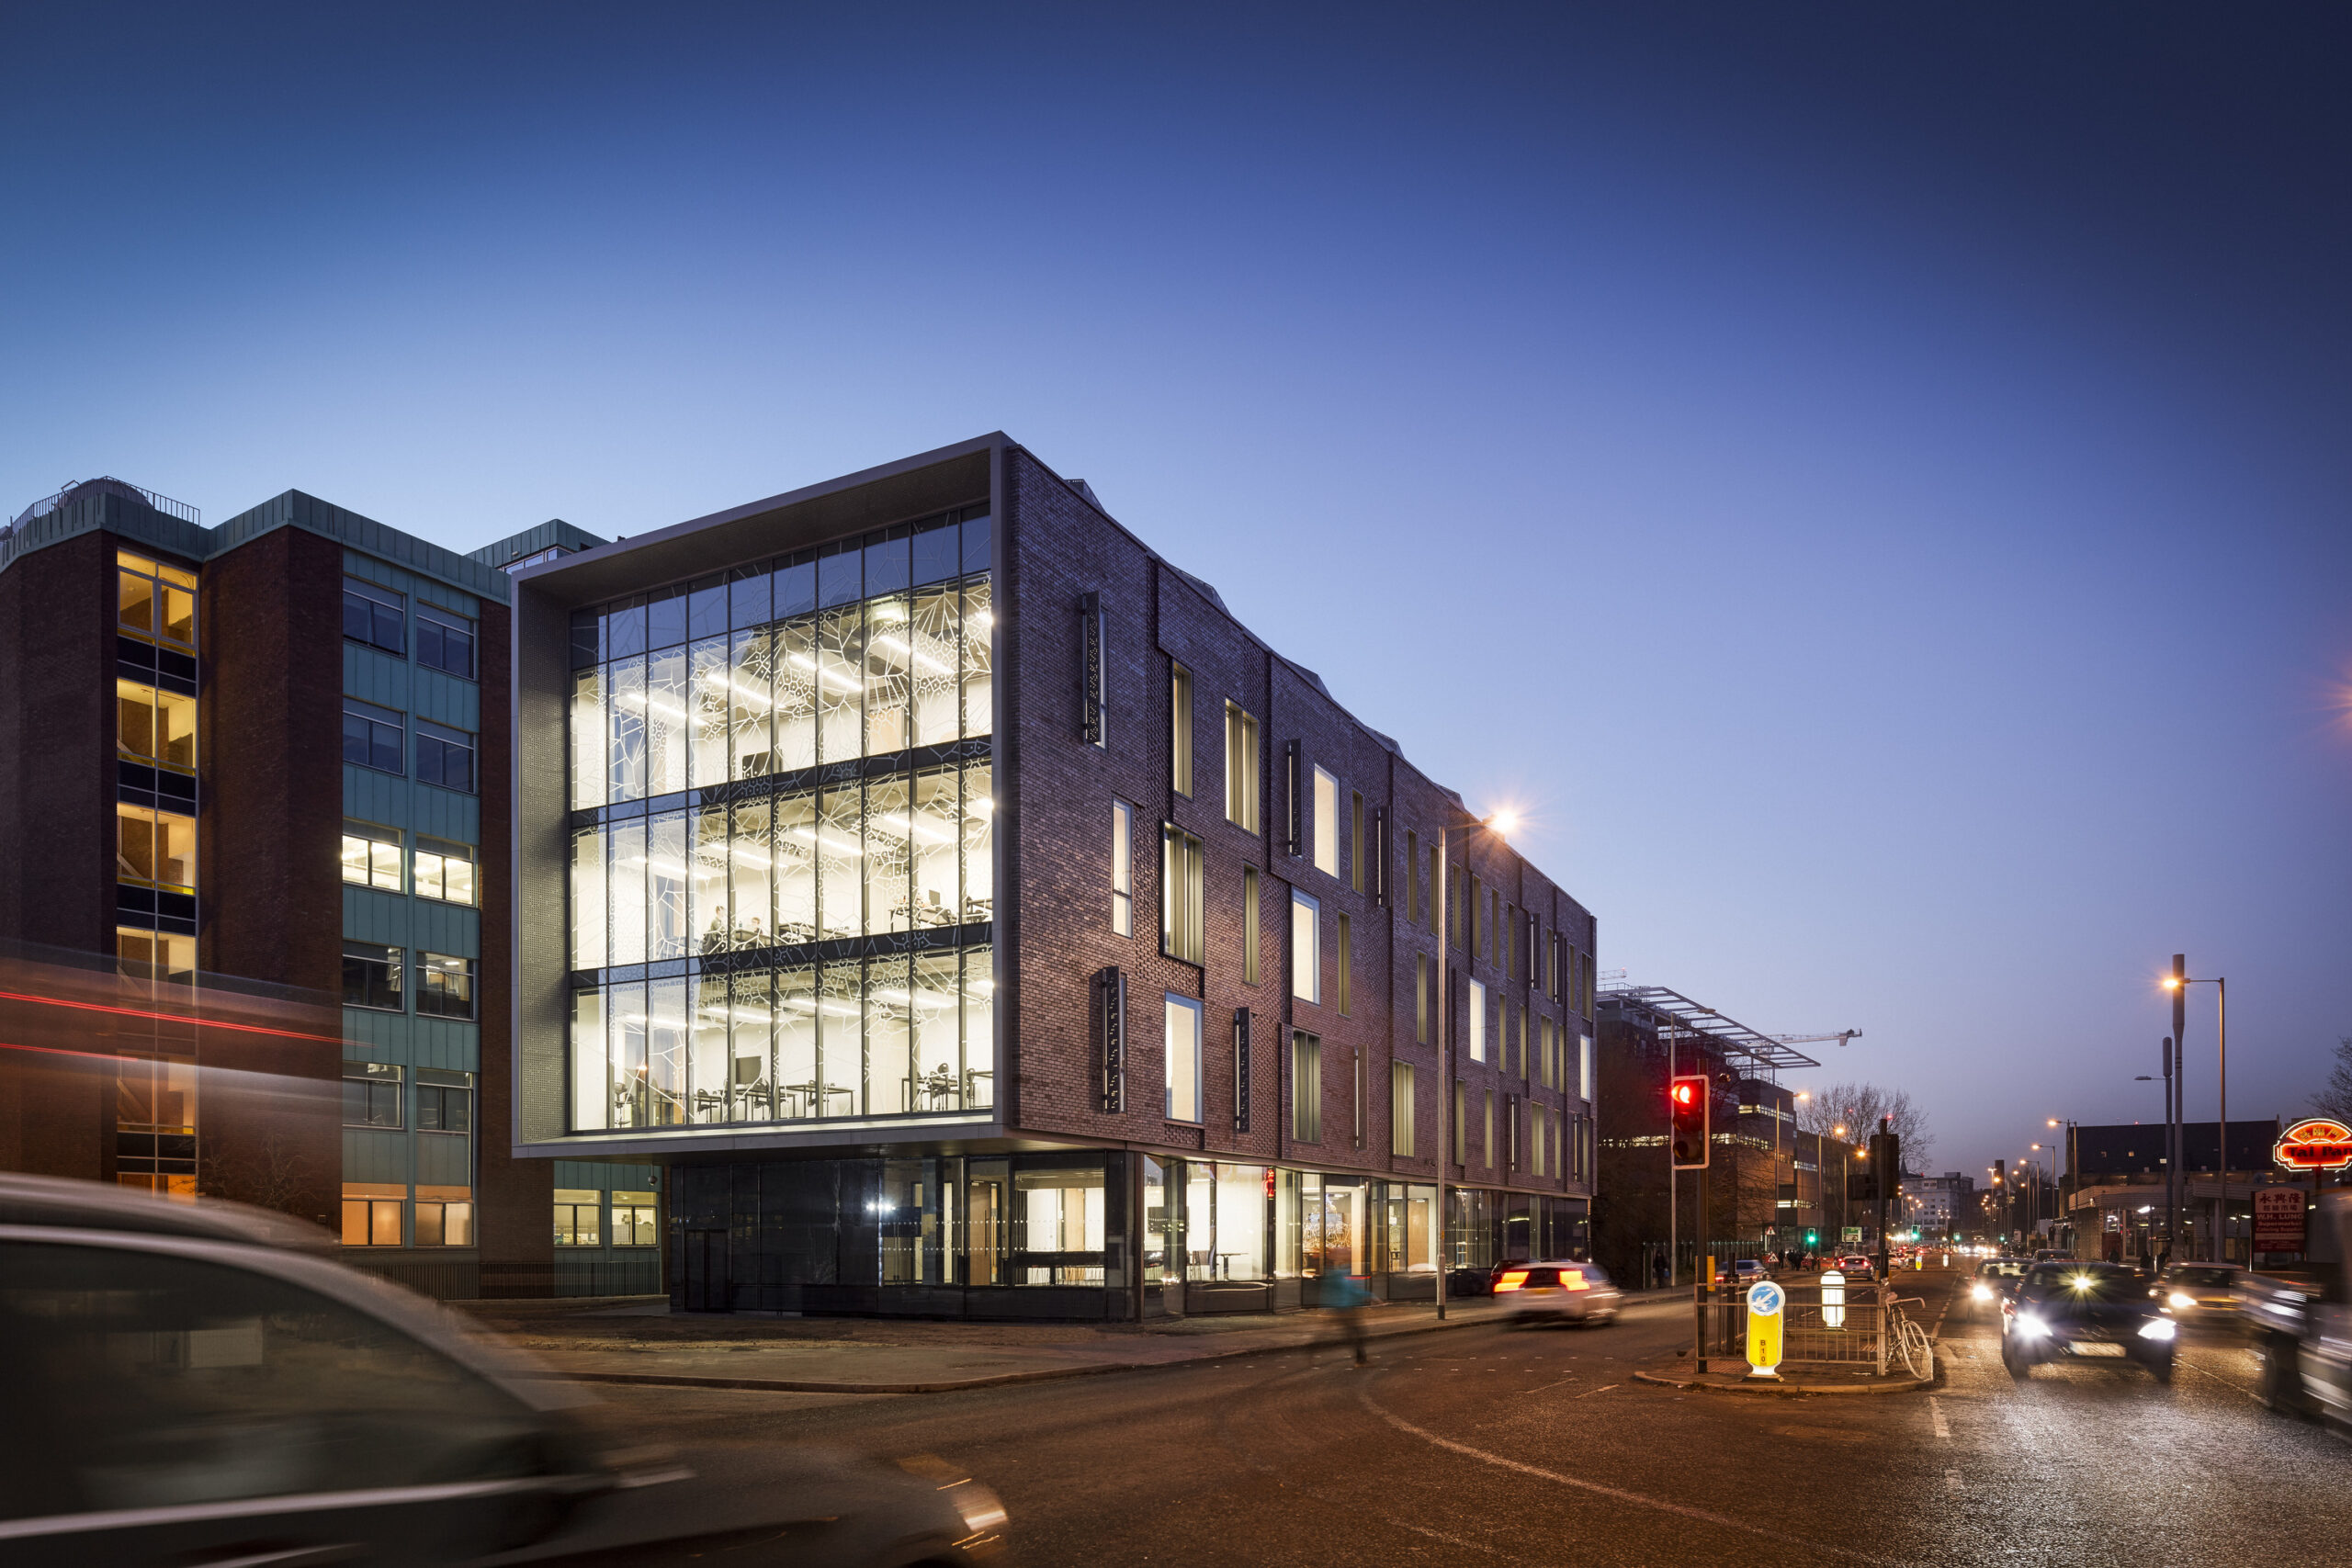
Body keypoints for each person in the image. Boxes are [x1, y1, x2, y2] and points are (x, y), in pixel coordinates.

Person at [1321, 1263, 1371, 1365]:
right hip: (1346, 1310)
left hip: (1342, 1309)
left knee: (1353, 1333)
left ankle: (1361, 1358)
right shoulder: (1343, 1281)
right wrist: (1371, 1296)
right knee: (1356, 1333)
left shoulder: (1337, 1279)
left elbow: (1329, 1294)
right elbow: (1354, 1292)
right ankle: (1361, 1359)